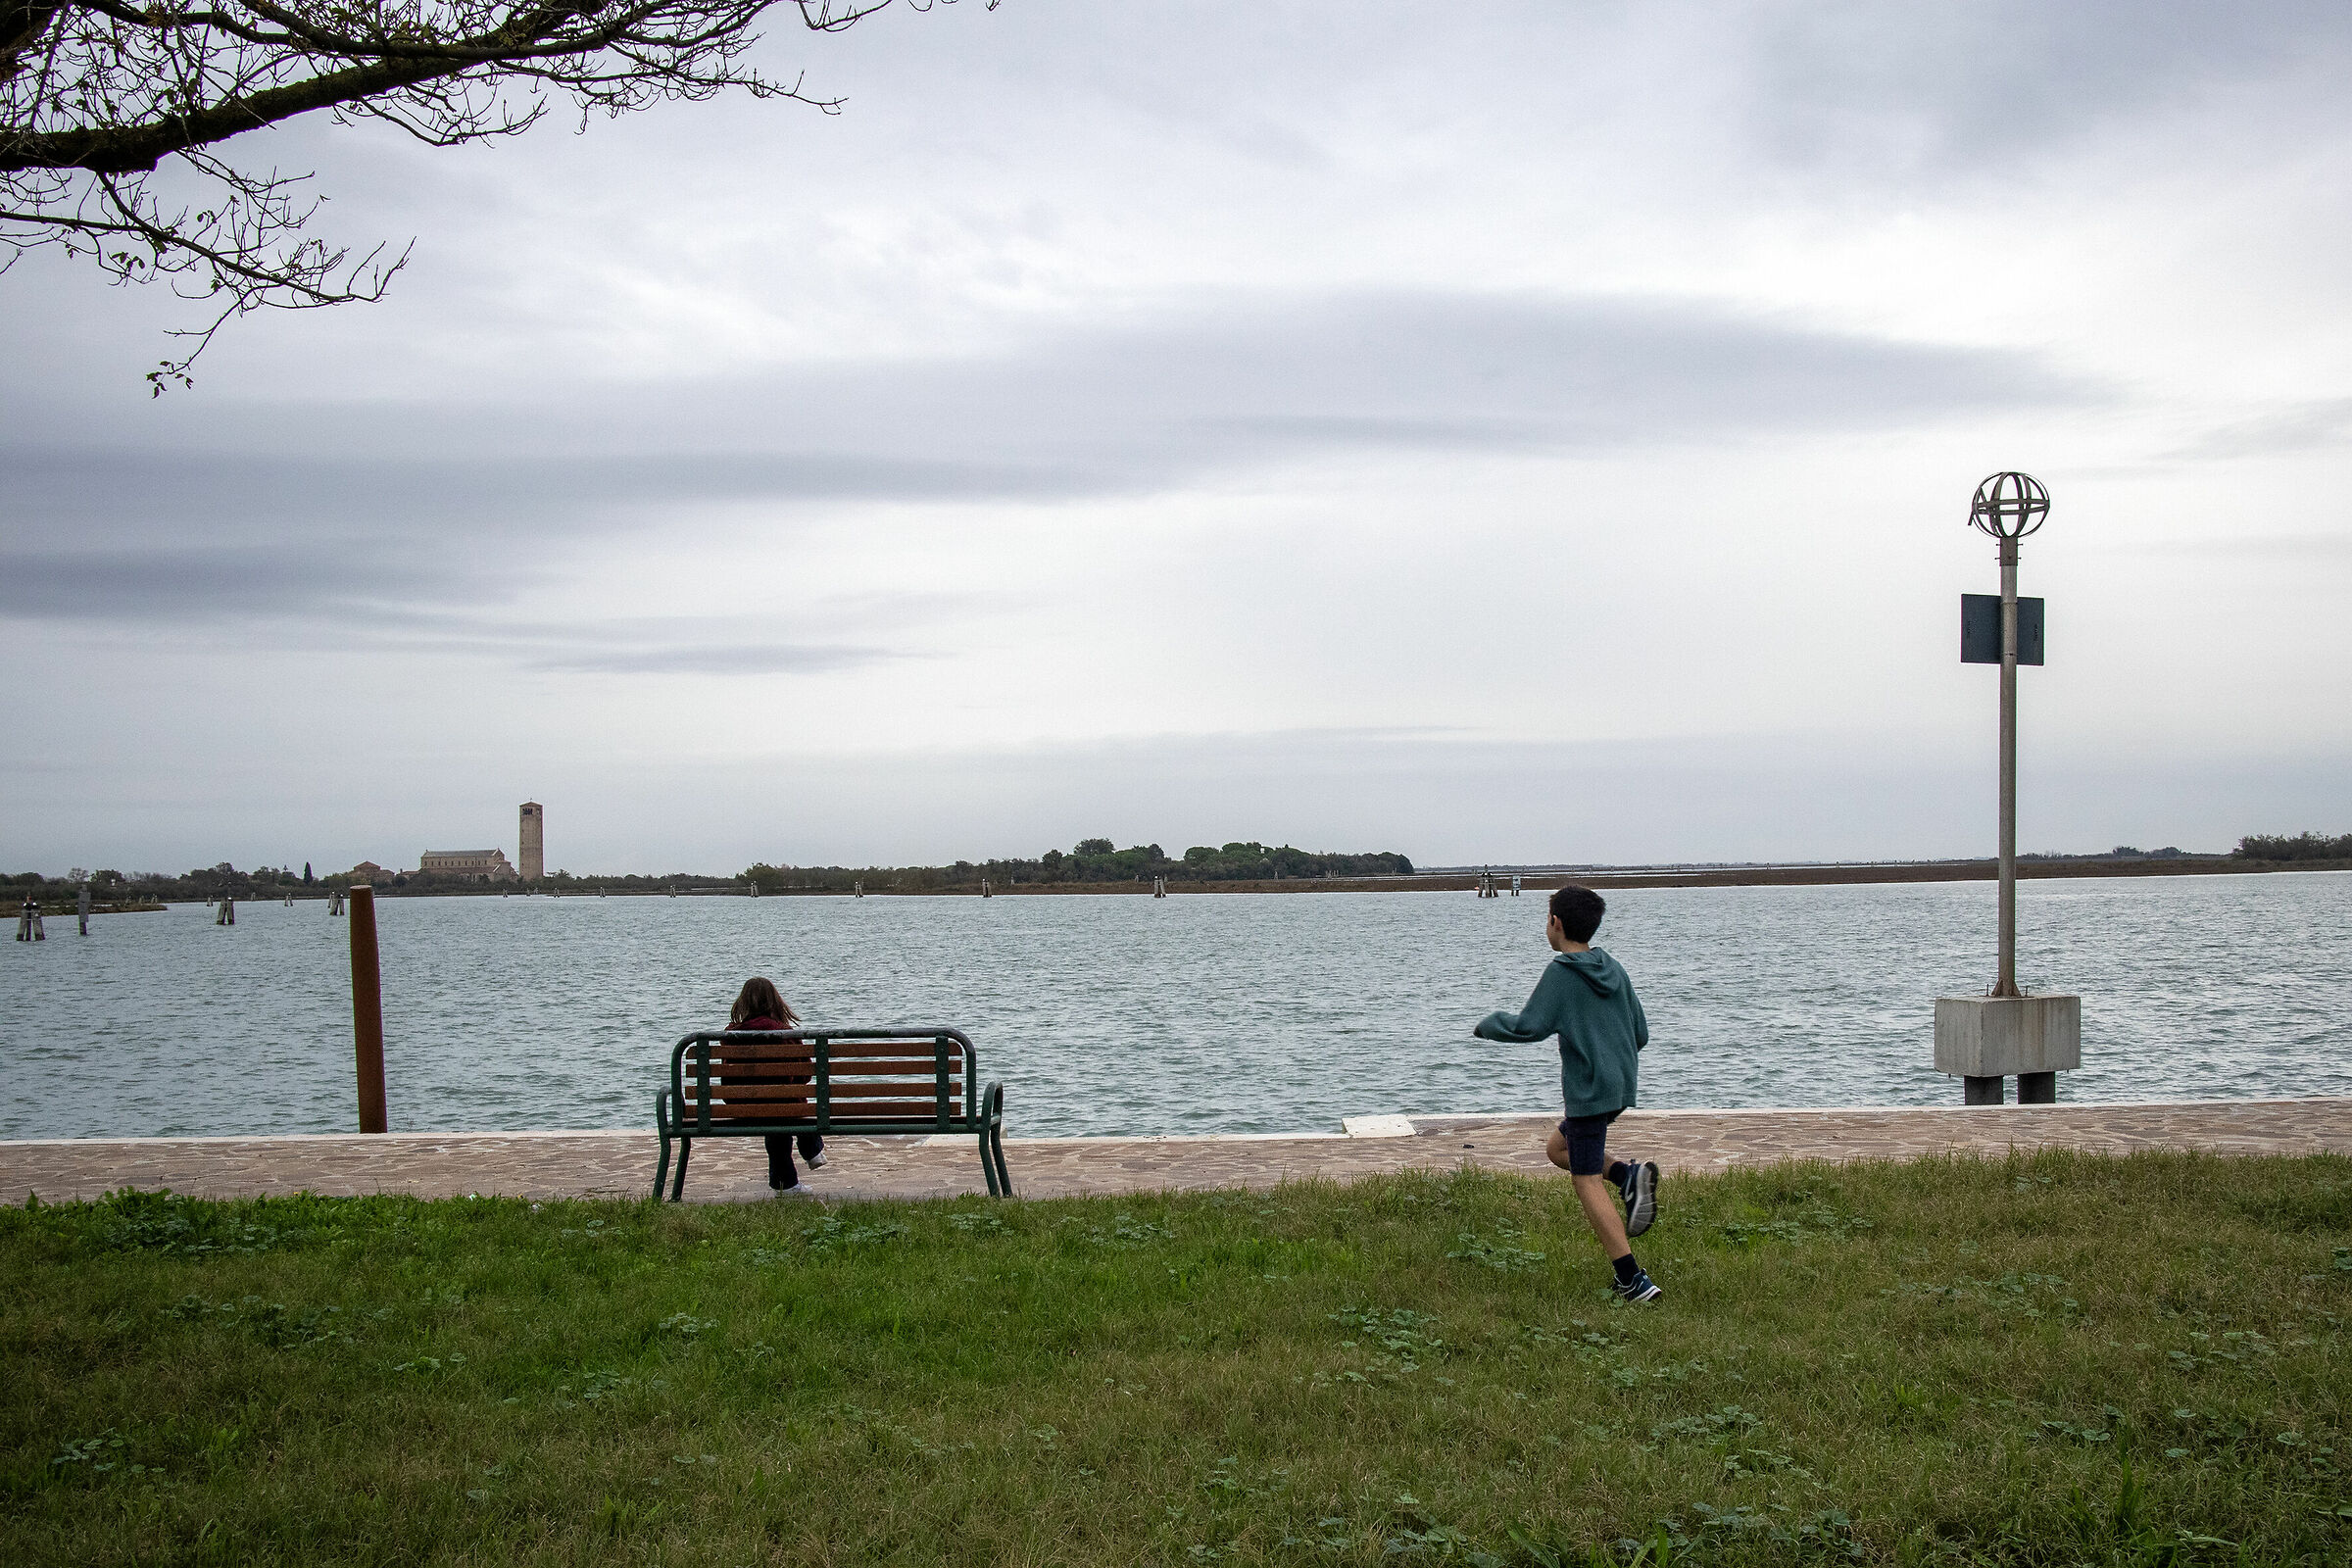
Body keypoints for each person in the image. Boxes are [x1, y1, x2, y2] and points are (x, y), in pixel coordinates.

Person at [1473, 885, 1663, 1302]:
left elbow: (1528, 1027)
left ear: (1555, 923)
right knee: (1557, 1149)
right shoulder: (1612, 967)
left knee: (1584, 1180)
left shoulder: (1562, 973)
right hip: (1619, 1084)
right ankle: (1627, 1176)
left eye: (1547, 919)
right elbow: (1642, 1033)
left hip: (1590, 1090)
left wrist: (1486, 1024)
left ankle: (1632, 1280)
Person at [727, 976, 827, 1196]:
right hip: (784, 1109)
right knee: (788, 1105)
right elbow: (805, 1076)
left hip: (741, 1109)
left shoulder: (730, 1037)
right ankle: (812, 1151)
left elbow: (728, 1081)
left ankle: (788, 1183)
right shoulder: (785, 1035)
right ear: (775, 1001)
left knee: (780, 1110)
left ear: (743, 1003)